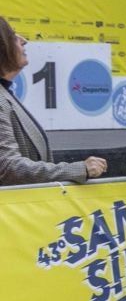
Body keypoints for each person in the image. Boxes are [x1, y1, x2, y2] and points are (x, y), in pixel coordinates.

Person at [0, 17, 108, 185]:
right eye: (13, 36)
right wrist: (78, 169)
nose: (23, 40)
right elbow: (8, 167)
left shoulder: (5, 94)